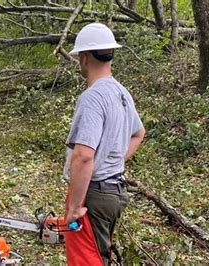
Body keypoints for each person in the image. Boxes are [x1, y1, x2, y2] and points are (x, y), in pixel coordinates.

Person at [61, 23, 146, 265]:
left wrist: (76, 208)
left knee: (87, 260)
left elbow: (84, 156)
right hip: (115, 192)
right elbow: (139, 133)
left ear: (85, 57)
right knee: (100, 254)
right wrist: (115, 160)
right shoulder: (122, 93)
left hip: (95, 194)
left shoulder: (92, 97)